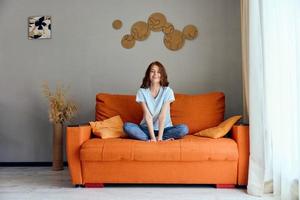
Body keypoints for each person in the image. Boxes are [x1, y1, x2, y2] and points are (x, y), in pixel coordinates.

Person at [123, 61, 189, 142]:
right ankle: (151, 138)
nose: (155, 74)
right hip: (146, 129)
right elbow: (148, 116)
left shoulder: (167, 91)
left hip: (165, 129)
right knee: (127, 126)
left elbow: (162, 116)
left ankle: (158, 138)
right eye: (152, 71)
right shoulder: (142, 92)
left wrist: (160, 138)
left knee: (183, 129)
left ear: (162, 75)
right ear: (148, 74)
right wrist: (153, 138)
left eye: (158, 72)